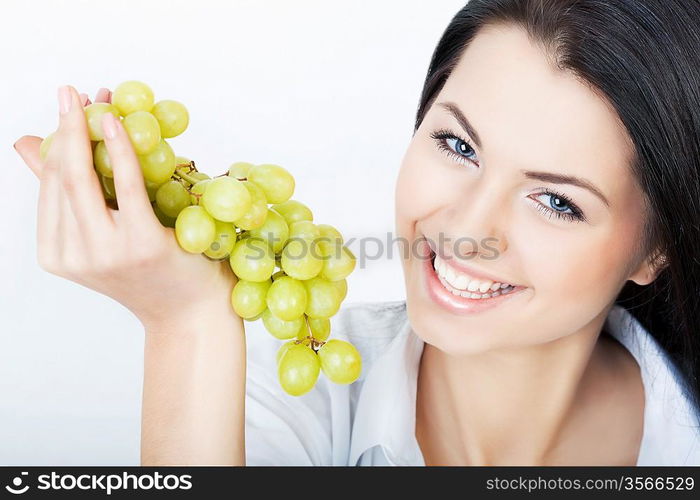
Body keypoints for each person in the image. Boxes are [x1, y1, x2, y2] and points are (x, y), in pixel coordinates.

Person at [13, 0, 700, 465]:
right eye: (458, 147)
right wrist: (186, 326)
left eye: (554, 200)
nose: (465, 227)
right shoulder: (292, 387)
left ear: (656, 247)